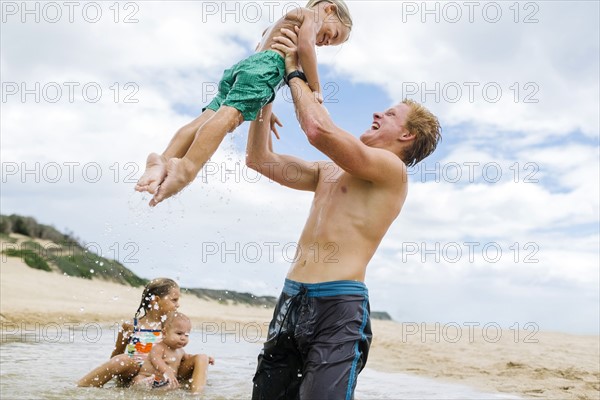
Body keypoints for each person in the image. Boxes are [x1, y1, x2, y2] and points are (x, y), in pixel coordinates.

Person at [245, 27, 442, 399]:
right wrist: (263, 102)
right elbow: (260, 160)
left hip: (338, 307)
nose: (377, 113)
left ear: (407, 137)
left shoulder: (391, 172)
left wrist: (294, 70)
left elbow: (318, 129)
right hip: (292, 299)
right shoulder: (328, 171)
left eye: (390, 113)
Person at [135, 0, 353, 207]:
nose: (325, 42)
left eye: (331, 44)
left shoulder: (286, 20)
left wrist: (264, 97)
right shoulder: (312, 16)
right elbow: (305, 48)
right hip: (263, 68)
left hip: (244, 67)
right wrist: (316, 88)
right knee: (229, 117)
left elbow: (263, 41)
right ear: (329, 9)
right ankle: (186, 167)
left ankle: (163, 159)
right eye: (332, 35)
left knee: (207, 117)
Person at [77, 278, 213, 394]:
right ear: (156, 300)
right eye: (174, 300)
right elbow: (116, 355)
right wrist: (121, 377)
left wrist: (197, 359)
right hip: (137, 372)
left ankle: (197, 395)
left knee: (202, 357)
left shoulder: (172, 326)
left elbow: (177, 352)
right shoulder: (131, 326)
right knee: (121, 359)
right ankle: (81, 387)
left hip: (168, 371)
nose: (178, 304)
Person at [132, 311, 213, 390]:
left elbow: (188, 357)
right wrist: (167, 371)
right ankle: (142, 384)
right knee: (138, 379)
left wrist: (207, 359)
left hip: (164, 380)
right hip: (148, 376)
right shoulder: (159, 347)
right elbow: (155, 359)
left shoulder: (180, 351)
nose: (183, 338)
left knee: (174, 387)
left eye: (186, 335)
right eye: (179, 333)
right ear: (164, 333)